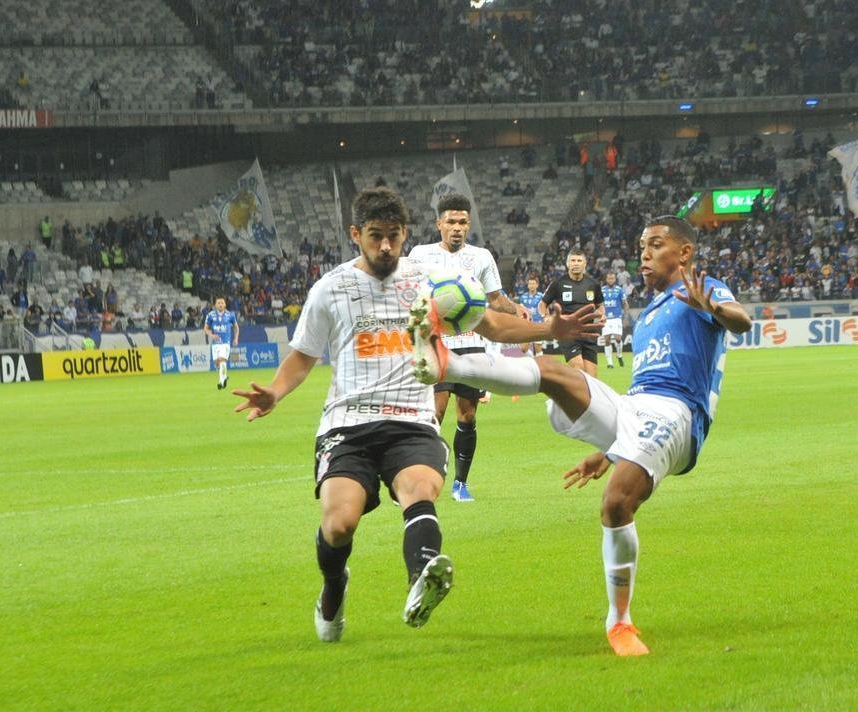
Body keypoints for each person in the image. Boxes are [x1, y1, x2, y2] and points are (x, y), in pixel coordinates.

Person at [232, 187, 600, 643]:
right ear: (355, 234)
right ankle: (334, 584)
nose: (385, 246)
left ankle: (420, 580)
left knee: (421, 488)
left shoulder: (430, 285)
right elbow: (303, 356)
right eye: (374, 236)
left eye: (392, 236)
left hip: (411, 418)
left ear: (406, 233)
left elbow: (491, 323)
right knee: (340, 522)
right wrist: (274, 391)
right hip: (349, 423)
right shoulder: (331, 288)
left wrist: (548, 328)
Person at [407, 216, 752, 657]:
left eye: (655, 245)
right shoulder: (647, 315)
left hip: (681, 415)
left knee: (615, 502)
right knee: (555, 372)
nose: (643, 254)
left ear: (684, 252)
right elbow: (640, 400)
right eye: (641, 246)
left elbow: (740, 321)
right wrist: (610, 450)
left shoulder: (702, 290)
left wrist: (714, 308)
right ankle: (444, 365)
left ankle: (620, 622)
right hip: (638, 409)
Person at [407, 193, 529, 503]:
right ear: (439, 224)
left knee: (467, 416)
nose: (457, 228)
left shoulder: (481, 256)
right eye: (451, 222)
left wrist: (516, 309)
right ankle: (424, 476)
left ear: (469, 224)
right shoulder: (420, 255)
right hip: (436, 341)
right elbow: (405, 291)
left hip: (472, 344)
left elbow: (495, 299)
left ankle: (460, 483)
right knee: (434, 412)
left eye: (462, 222)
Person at [540, 249, 603, 375]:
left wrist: (602, 314)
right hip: (568, 332)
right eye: (573, 260)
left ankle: (563, 393)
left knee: (592, 379)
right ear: (567, 264)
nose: (576, 263)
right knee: (579, 369)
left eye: (579, 261)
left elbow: (600, 305)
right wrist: (545, 316)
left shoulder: (593, 284)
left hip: (589, 333)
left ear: (585, 264)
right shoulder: (558, 283)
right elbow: (542, 304)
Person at [203, 296, 239, 389]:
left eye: (222, 303)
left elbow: (236, 327)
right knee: (217, 363)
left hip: (225, 342)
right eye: (218, 303)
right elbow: (206, 328)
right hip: (215, 343)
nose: (220, 305)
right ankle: (224, 376)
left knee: (222, 359)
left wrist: (235, 338)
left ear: (225, 304)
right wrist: (211, 335)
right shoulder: (210, 315)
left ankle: (221, 381)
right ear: (215, 305)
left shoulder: (230, 315)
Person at [600, 271, 628, 368]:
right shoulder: (602, 290)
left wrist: (625, 318)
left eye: (612, 278)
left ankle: (619, 355)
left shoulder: (619, 290)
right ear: (606, 279)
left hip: (617, 317)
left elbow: (625, 304)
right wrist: (599, 316)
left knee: (618, 339)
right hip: (606, 318)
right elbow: (599, 304)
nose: (611, 280)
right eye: (609, 278)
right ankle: (610, 363)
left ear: (615, 279)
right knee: (606, 340)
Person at [517, 275, 545, 358]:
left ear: (537, 285)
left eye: (533, 283)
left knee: (538, 349)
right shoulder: (523, 297)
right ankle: (532, 358)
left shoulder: (541, 296)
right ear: (528, 285)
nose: (532, 285)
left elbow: (545, 309)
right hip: (527, 325)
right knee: (523, 349)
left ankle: (541, 367)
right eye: (530, 284)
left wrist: (546, 318)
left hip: (538, 324)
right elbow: (520, 311)